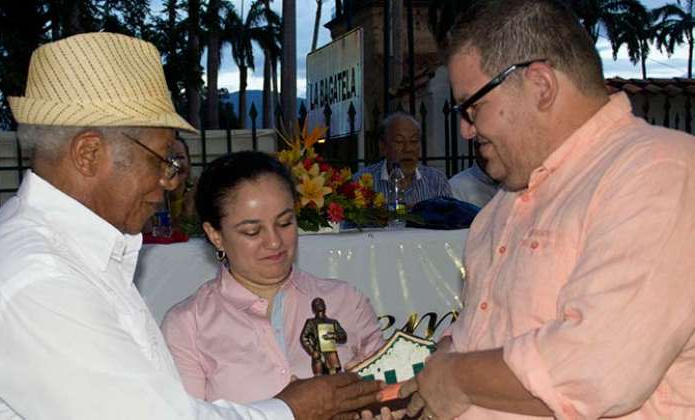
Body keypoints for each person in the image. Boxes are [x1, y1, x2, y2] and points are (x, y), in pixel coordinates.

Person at [0, 32, 381, 420]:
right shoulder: (39, 278)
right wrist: (292, 410)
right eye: (160, 158)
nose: (168, 182)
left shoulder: (63, 251)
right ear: (88, 154)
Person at [398, 1, 695, 419]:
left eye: (472, 106)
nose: (466, 129)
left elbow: (599, 365)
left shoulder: (657, 172)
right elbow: (481, 336)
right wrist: (440, 364)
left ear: (540, 84)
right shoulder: (501, 206)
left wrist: (455, 378)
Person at [161, 151, 385, 404]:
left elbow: (389, 391)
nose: (274, 242)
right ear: (215, 235)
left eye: (285, 223)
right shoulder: (188, 326)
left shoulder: (346, 301)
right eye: (252, 231)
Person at [353, 112, 451, 208]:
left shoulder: (437, 181)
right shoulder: (361, 182)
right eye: (399, 141)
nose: (408, 149)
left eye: (414, 141)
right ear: (383, 146)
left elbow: (450, 221)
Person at [168, 135, 197, 227]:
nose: (176, 164)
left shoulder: (199, 196)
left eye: (180, 157)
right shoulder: (150, 201)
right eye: (168, 158)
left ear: (189, 161)